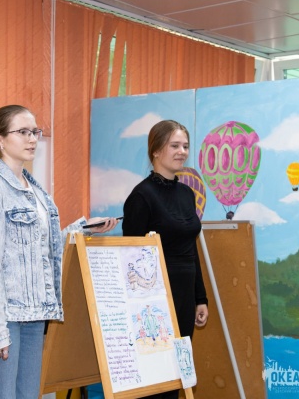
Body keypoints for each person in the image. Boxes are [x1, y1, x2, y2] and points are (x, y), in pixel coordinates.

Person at [0, 104, 118, 399]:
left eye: (35, 131)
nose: (33, 138)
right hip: (2, 318)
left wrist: (82, 229)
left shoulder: (37, 193)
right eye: (23, 132)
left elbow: (41, 249)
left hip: (33, 315)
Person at [122, 120, 209, 399]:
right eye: (175, 146)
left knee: (175, 374)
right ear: (156, 150)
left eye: (185, 146)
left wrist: (200, 298)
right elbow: (131, 259)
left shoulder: (187, 194)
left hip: (184, 298)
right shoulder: (141, 196)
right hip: (154, 302)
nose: (182, 151)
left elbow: (191, 249)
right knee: (155, 377)